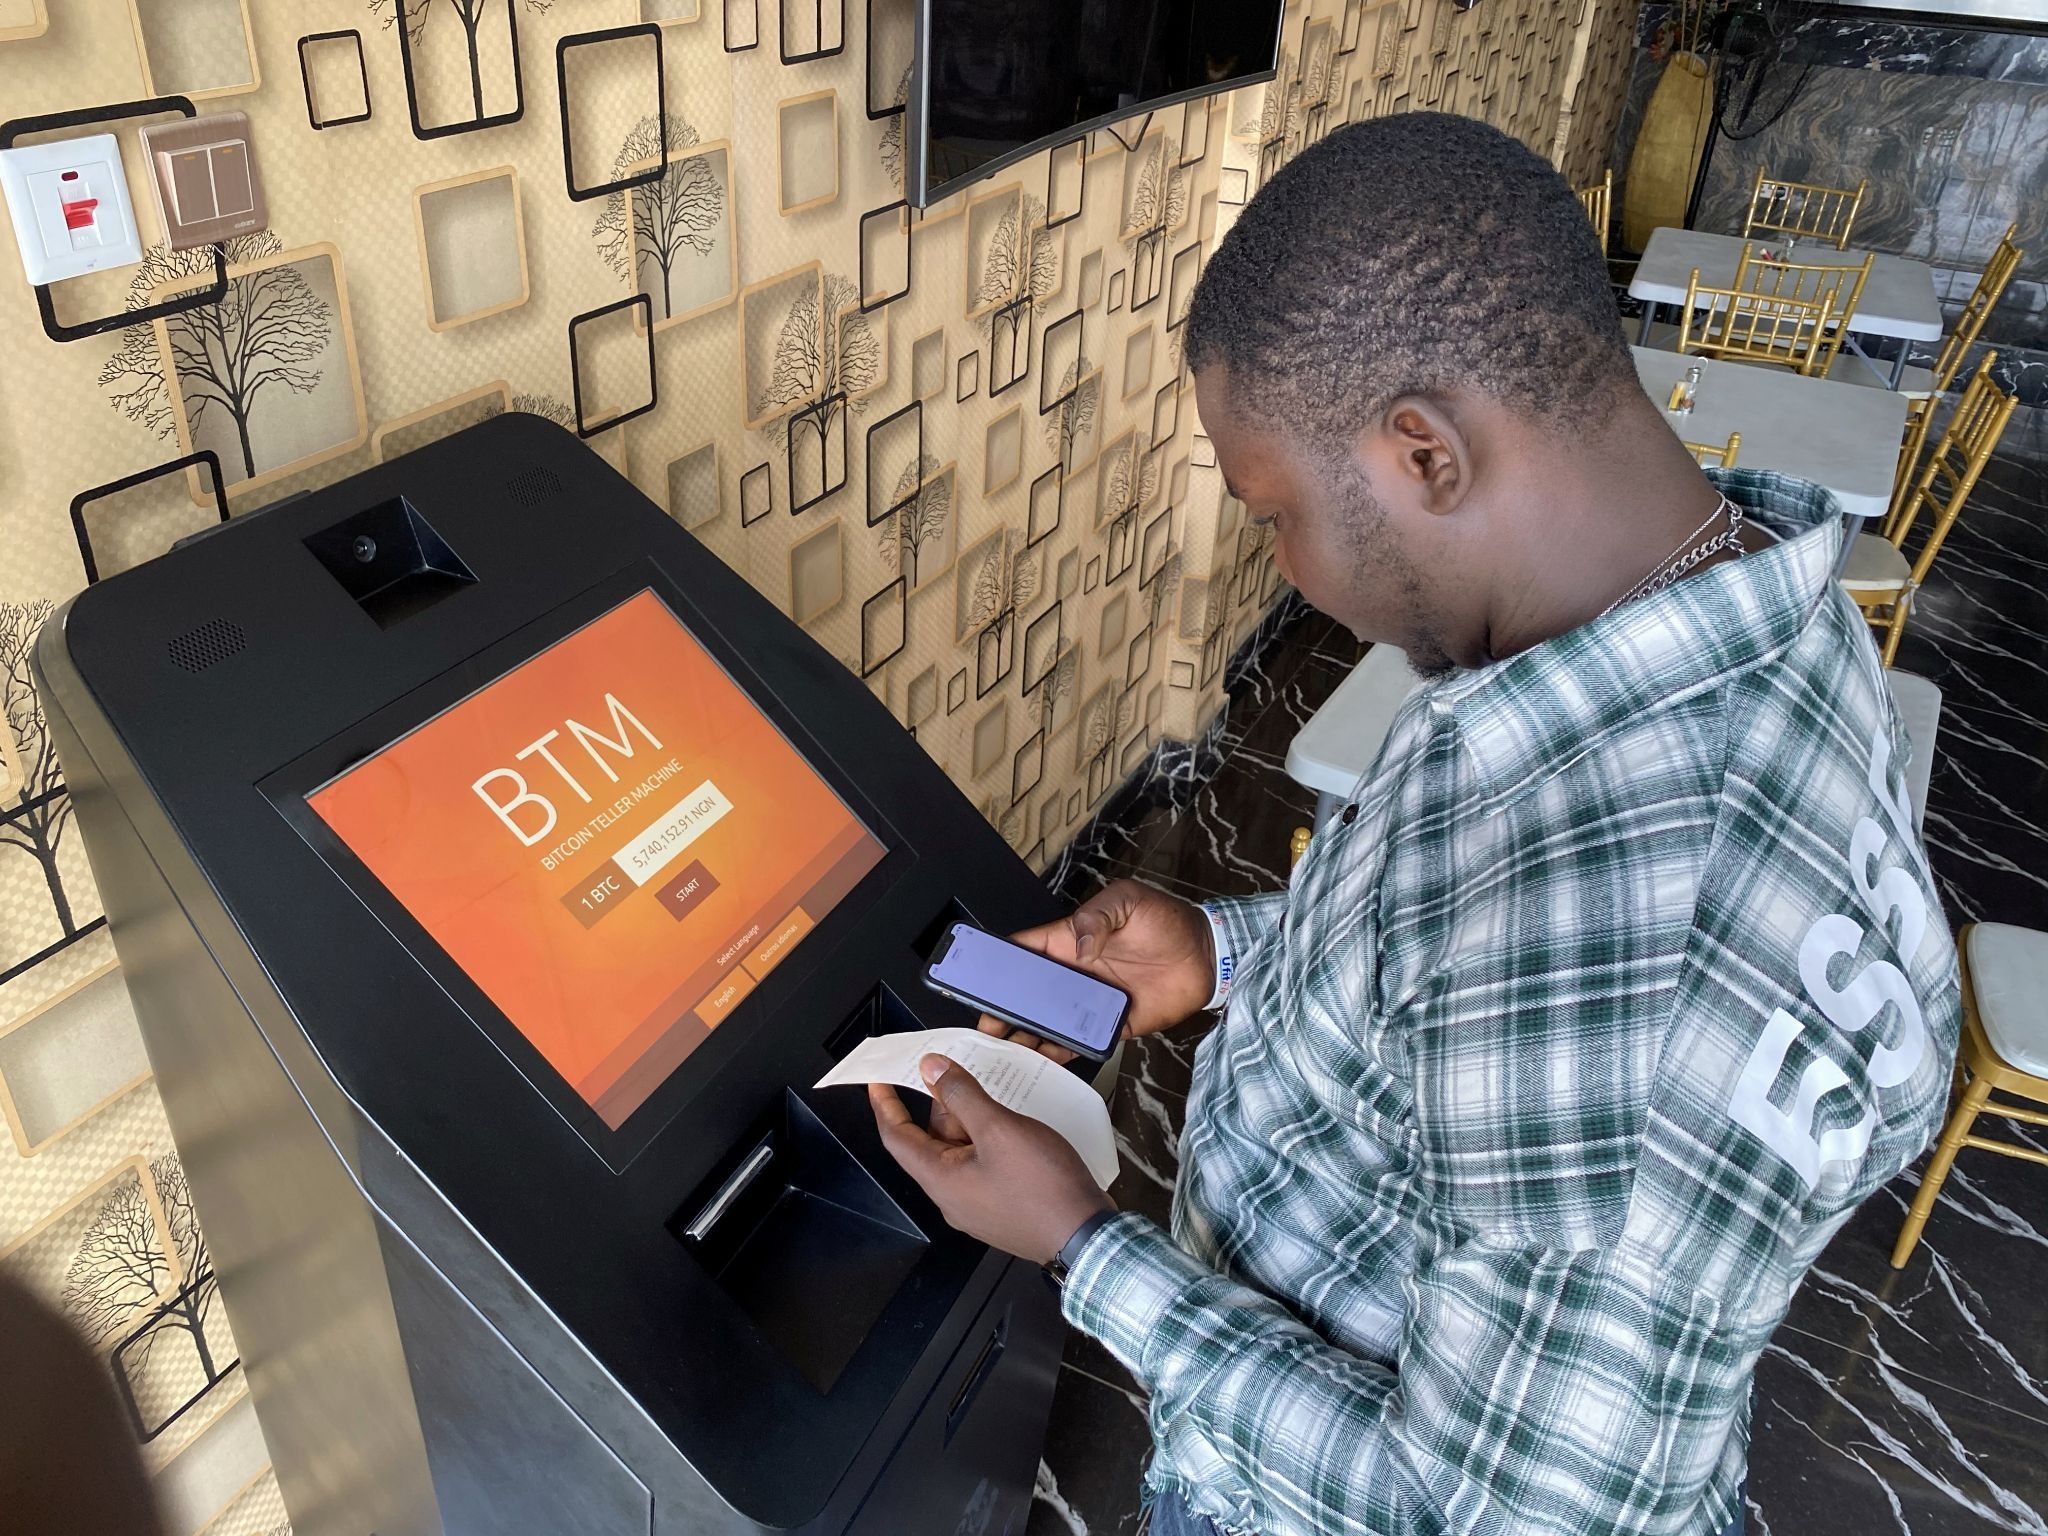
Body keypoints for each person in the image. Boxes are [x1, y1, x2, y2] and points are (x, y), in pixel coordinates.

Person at [869, 111, 1960, 1536]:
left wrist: (1080, 1242)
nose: (1283, 566)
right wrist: (1229, 950)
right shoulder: (1733, 616)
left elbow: (1476, 1513)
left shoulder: (1617, 960)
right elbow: (1460, 981)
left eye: (1273, 515)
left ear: (1423, 455)